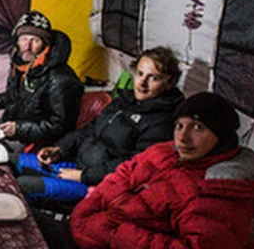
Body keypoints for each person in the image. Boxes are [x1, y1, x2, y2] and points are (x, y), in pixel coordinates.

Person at [50, 92, 254, 249]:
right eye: (179, 126)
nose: (183, 137)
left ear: (221, 136)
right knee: (31, 236)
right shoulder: (165, 152)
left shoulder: (220, 189)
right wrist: (89, 211)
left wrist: (117, 233)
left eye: (197, 128)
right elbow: (121, 175)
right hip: (90, 232)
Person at [14, 46, 184, 208]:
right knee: (10, 161)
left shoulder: (162, 123)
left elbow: (134, 166)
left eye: (153, 78)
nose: (142, 83)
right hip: (76, 165)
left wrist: (83, 176)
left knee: (23, 186)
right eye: (140, 74)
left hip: (98, 185)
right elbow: (88, 130)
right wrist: (59, 149)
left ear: (169, 83)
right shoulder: (124, 102)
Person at [0, 10, 84, 147]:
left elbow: (59, 127)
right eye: (24, 39)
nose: (27, 47)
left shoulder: (61, 79)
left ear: (45, 45)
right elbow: (20, 97)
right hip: (14, 130)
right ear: (17, 42)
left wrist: (19, 129)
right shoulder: (22, 65)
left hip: (37, 144)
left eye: (35, 40)